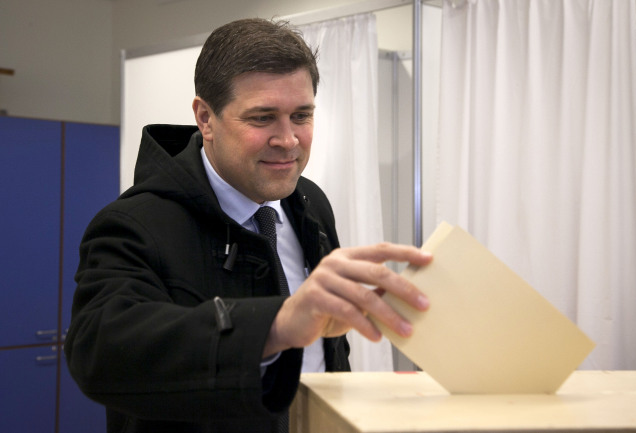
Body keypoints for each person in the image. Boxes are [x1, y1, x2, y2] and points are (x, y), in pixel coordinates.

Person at [64, 18, 432, 433]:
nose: (288, 139)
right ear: (206, 118)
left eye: (301, 115)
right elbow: (100, 353)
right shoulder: (134, 225)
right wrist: (275, 324)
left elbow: (328, 350)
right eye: (263, 118)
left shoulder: (311, 203)